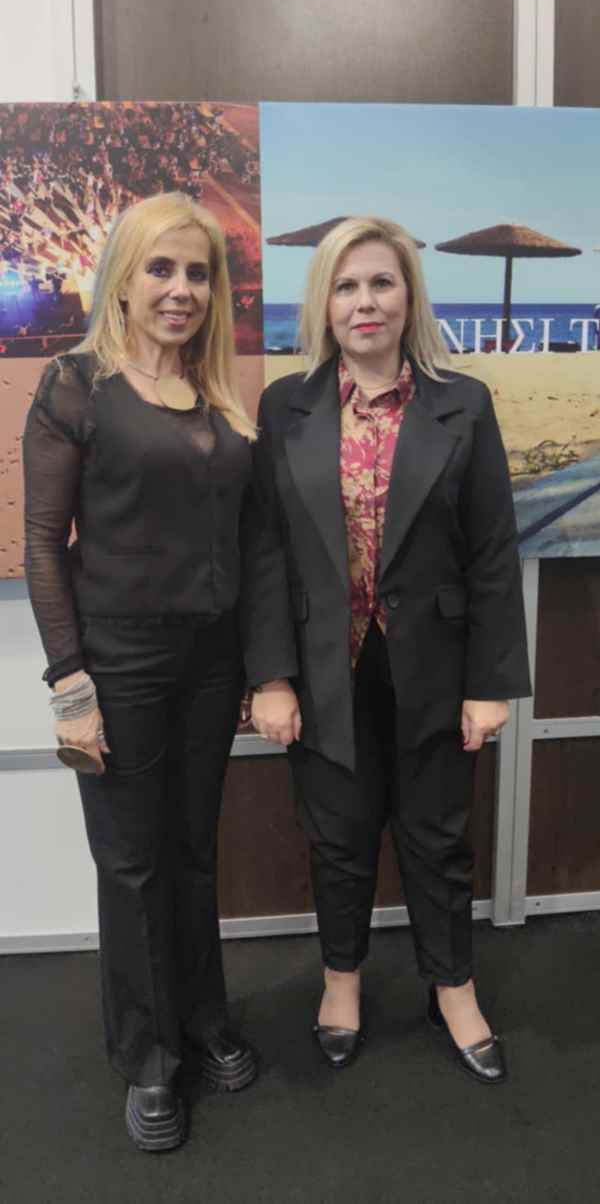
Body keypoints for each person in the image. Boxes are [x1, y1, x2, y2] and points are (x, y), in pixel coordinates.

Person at [23, 191, 297, 1151]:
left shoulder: (221, 397)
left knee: (190, 851)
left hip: (211, 665)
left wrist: (265, 668)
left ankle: (203, 1018)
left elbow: (256, 545)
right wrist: (70, 686)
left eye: (198, 273)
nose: (181, 290)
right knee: (132, 863)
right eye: (162, 269)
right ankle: (148, 1056)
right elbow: (43, 546)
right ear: (124, 280)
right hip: (119, 664)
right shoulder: (76, 385)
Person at [249, 216, 531, 1084]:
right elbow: (266, 551)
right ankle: (341, 982)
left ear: (409, 295)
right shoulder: (286, 406)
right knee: (337, 837)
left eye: (380, 282)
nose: (363, 302)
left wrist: (490, 683)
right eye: (345, 286)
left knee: (437, 839)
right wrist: (270, 676)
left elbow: (492, 551)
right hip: (324, 667)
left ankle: (454, 989)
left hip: (436, 666)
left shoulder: (463, 402)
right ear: (324, 302)